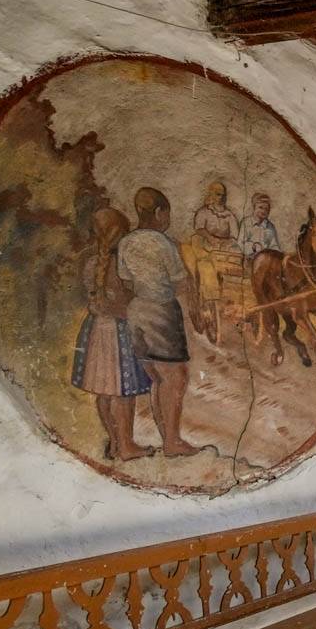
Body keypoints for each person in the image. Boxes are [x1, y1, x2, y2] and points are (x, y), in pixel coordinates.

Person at [117, 187, 207, 458]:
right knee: (175, 377)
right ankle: (172, 441)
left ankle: (167, 437)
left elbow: (125, 281)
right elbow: (180, 281)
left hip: (136, 311)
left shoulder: (125, 242)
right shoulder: (163, 243)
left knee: (157, 377)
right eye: (167, 213)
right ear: (158, 212)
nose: (167, 219)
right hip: (161, 311)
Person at [69, 206, 150, 461]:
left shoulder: (91, 263)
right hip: (118, 332)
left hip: (96, 332)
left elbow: (95, 302)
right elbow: (125, 303)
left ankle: (115, 442)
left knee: (105, 391)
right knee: (124, 392)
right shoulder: (122, 265)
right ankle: (126, 446)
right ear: (118, 235)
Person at [184, 180, 242, 341]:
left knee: (236, 263)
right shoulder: (204, 212)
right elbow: (199, 229)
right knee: (206, 266)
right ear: (211, 194)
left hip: (223, 247)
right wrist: (211, 238)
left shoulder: (229, 215)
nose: (220, 197)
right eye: (217, 194)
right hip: (204, 244)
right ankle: (207, 297)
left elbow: (234, 235)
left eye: (223, 195)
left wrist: (226, 242)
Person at [239, 192, 282, 261]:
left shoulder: (270, 226)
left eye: (266, 209)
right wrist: (253, 247)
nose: (263, 211)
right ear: (254, 207)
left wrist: (276, 253)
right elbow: (240, 244)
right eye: (260, 207)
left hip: (265, 261)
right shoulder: (246, 223)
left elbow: (274, 245)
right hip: (249, 259)